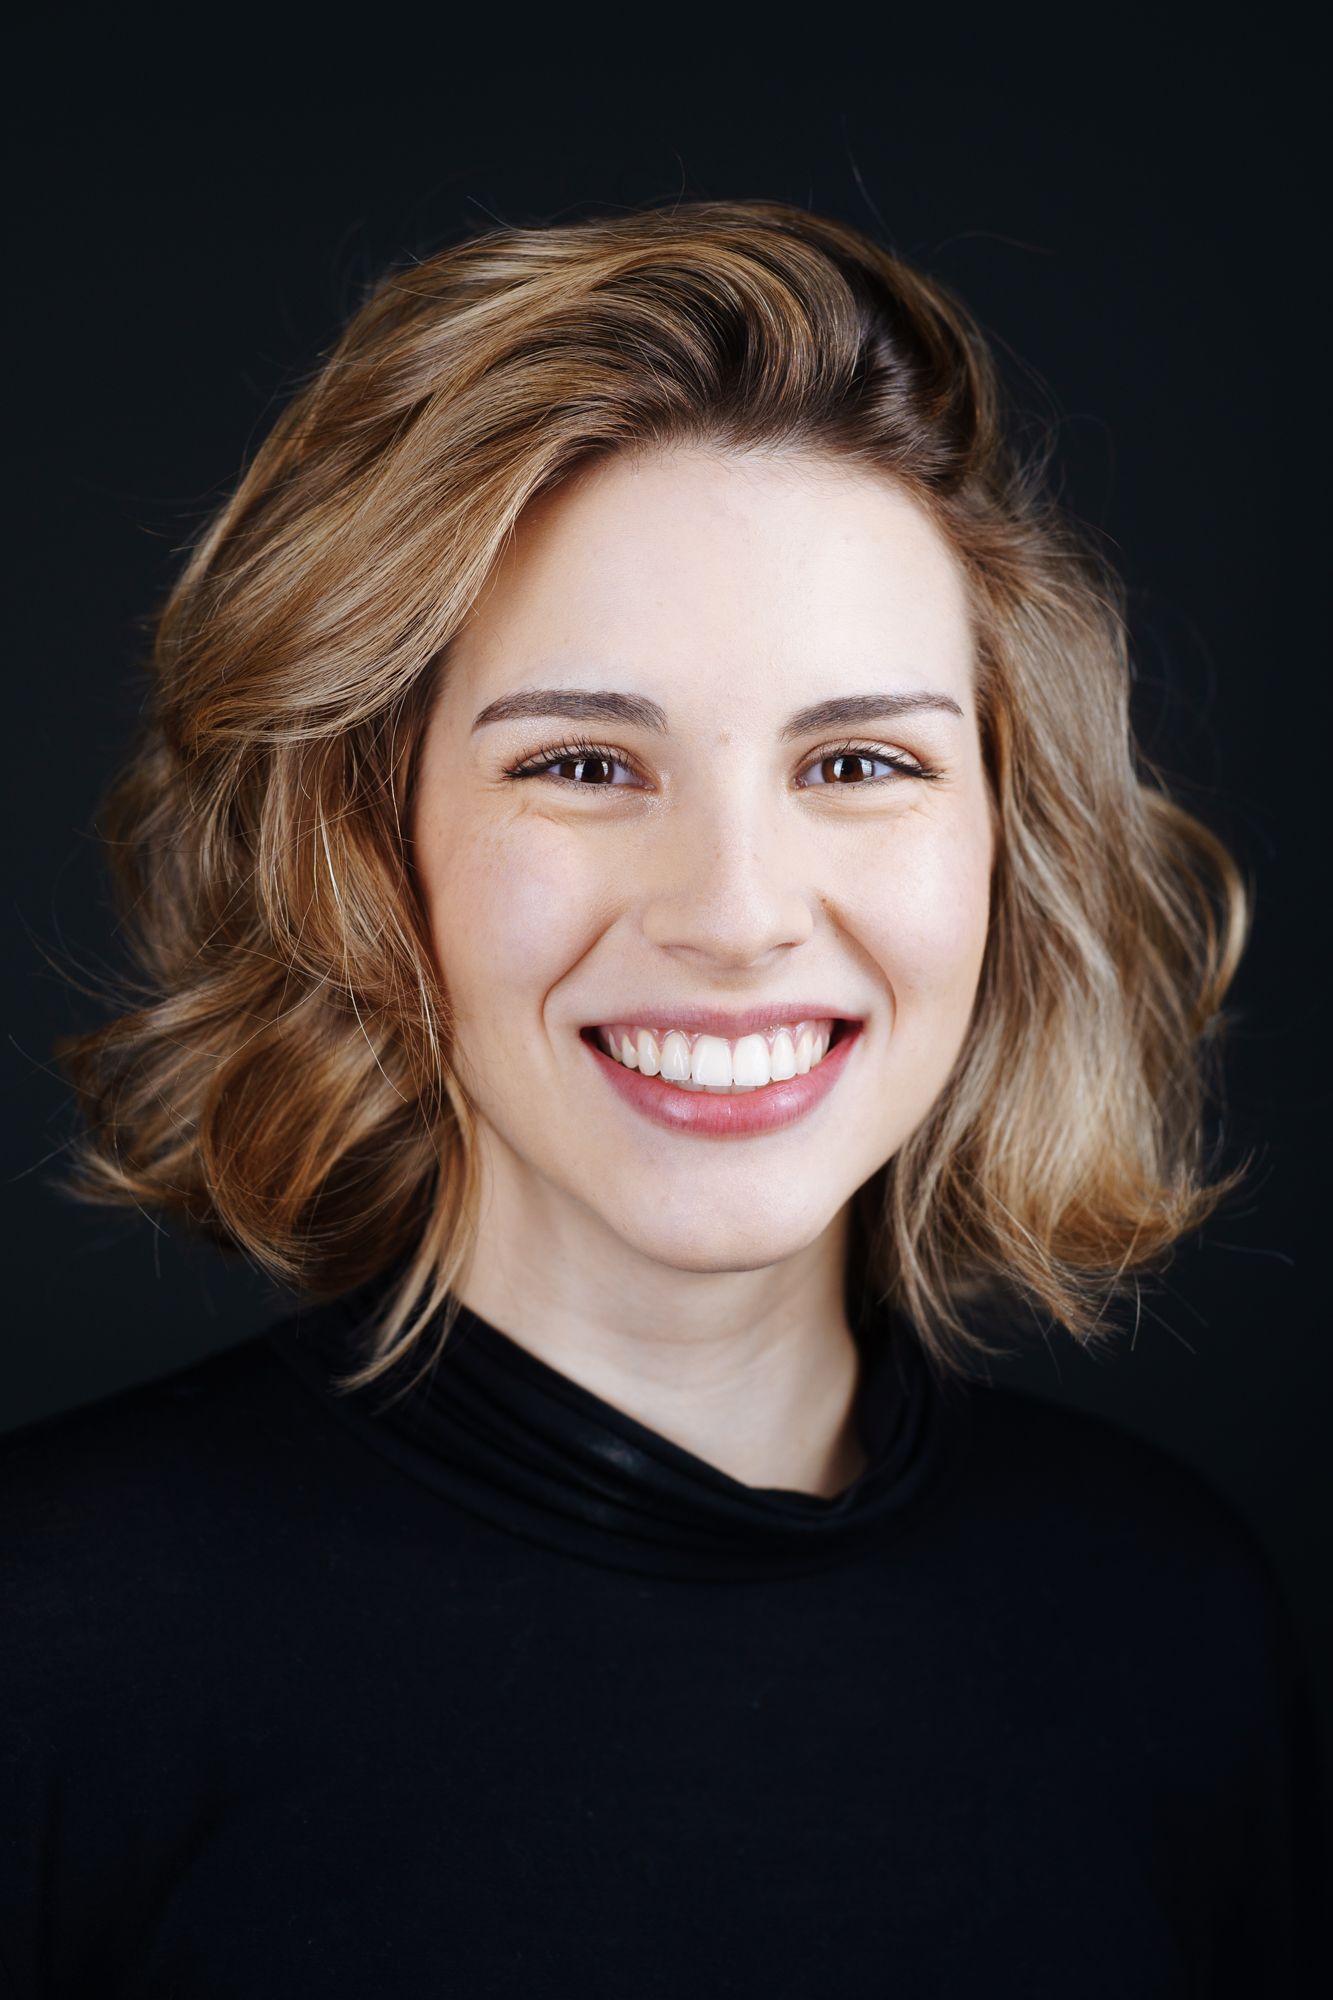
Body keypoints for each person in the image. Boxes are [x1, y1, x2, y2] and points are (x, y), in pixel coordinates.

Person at [2, 198, 1324, 1995]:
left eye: (856, 762)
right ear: (365, 850)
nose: (734, 913)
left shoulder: (1172, 1622)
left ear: (1004, 842)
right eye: (580, 762)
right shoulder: (51, 1636)